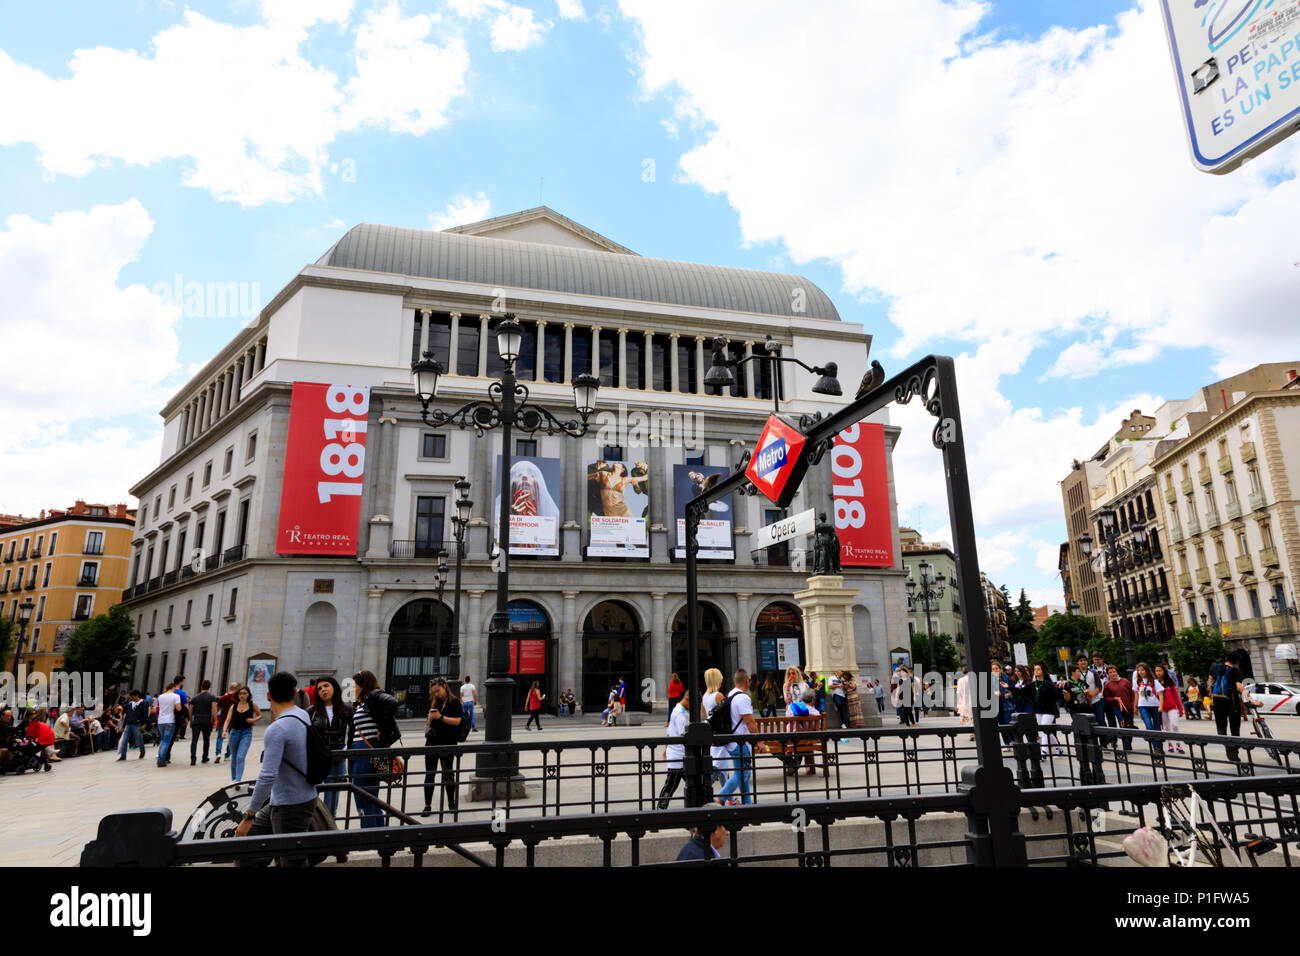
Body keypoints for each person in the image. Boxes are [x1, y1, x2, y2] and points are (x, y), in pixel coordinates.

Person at [232, 671, 317, 867]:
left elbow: (267, 775)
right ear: (295, 692)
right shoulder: (303, 715)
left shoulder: (278, 729)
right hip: (293, 798)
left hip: (290, 804)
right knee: (250, 850)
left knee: (292, 861)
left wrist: (249, 815)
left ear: (268, 696)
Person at [349, 670, 400, 828]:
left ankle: (368, 835)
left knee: (361, 794)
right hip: (363, 750)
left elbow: (392, 702)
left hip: (366, 750)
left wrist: (383, 730)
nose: (353, 689)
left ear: (363, 685)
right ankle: (380, 833)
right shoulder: (364, 701)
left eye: (355, 686)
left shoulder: (373, 695)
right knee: (371, 796)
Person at [310, 676, 352, 816]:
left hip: (338, 758)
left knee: (332, 800)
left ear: (334, 686)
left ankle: (328, 830)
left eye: (326, 686)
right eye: (320, 688)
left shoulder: (347, 709)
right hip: (317, 759)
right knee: (311, 799)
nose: (323, 690)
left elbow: (353, 732)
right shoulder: (312, 711)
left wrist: (348, 749)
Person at [422, 677, 463, 817]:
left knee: (448, 774)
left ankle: (451, 803)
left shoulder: (454, 701)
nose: (436, 694)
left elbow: (458, 721)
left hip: (448, 742)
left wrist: (440, 717)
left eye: (438, 691)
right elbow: (428, 726)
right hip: (432, 743)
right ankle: (427, 806)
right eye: (434, 692)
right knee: (429, 774)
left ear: (445, 686)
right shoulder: (435, 701)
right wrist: (430, 718)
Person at [714, 669, 757, 805]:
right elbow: (750, 722)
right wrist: (759, 741)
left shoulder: (730, 695)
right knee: (743, 774)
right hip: (740, 742)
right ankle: (721, 798)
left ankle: (747, 805)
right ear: (747, 681)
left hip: (731, 742)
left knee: (744, 774)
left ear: (734, 681)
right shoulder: (743, 698)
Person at [1209, 650, 1247, 762]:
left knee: (1221, 727)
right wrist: (1251, 699)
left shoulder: (1215, 667)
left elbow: (1210, 679)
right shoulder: (1236, 671)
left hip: (1217, 700)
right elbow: (1239, 687)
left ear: (1226, 658)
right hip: (1232, 702)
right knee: (1235, 728)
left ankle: (1227, 745)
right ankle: (1234, 752)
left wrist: (1211, 690)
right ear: (1237, 661)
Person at [657, 691, 690, 809]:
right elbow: (684, 735)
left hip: (677, 753)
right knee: (671, 784)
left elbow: (670, 731)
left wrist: (666, 747)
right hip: (678, 755)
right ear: (687, 699)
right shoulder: (681, 713)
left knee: (691, 783)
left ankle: (660, 809)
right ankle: (660, 809)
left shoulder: (677, 708)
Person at [222, 685, 262, 781]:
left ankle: (238, 780)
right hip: (234, 733)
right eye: (240, 693)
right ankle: (234, 779)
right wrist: (224, 731)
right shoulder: (234, 706)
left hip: (246, 734)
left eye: (244, 693)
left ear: (248, 695)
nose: (242, 695)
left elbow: (260, 715)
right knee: (234, 758)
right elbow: (227, 720)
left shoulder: (252, 704)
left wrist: (253, 720)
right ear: (238, 695)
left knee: (240, 757)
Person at [1030, 663, 1063, 756]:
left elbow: (1055, 694)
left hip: (1049, 709)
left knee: (1044, 729)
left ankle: (1043, 751)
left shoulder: (1050, 679)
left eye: (1038, 669)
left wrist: (1059, 689)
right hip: (1039, 708)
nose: (1036, 671)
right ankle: (1058, 748)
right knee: (1045, 730)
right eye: (1035, 669)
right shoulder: (1034, 680)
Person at [1102, 665, 1135, 751]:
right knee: (1123, 724)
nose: (1113, 674)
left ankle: (1128, 743)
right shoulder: (1108, 684)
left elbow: (1132, 694)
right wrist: (1114, 699)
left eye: (1114, 671)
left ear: (1117, 672)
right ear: (1108, 674)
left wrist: (1133, 705)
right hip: (1118, 708)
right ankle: (1126, 745)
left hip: (1128, 707)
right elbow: (1106, 697)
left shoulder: (1125, 681)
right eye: (1110, 672)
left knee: (1130, 725)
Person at [1154, 664, 1184, 755]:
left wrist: (1180, 708)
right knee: (1166, 727)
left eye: (1160, 671)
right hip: (1162, 708)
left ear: (1164, 672)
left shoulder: (1170, 682)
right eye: (1156, 671)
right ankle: (1170, 744)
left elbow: (1176, 696)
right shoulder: (1154, 682)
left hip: (1171, 707)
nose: (1158, 673)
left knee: (1175, 725)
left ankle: (1178, 744)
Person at [1133, 663, 1163, 752]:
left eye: (1142, 670)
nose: (1140, 672)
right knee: (1149, 725)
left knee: (1157, 727)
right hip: (1143, 706)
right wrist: (1135, 706)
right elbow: (1136, 694)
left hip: (1155, 705)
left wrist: (1161, 706)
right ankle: (1156, 747)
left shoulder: (1154, 681)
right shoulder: (1137, 681)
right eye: (1138, 670)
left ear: (1146, 670)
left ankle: (1159, 744)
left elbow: (1161, 694)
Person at [189, 680, 218, 765]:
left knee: (194, 740)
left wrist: (191, 720)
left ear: (201, 686)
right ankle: (205, 757)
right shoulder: (212, 697)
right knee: (206, 740)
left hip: (197, 720)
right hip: (207, 720)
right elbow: (214, 709)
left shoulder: (194, 697)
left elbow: (190, 710)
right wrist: (215, 720)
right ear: (209, 687)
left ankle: (193, 759)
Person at [154, 681, 181, 767]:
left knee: (163, 740)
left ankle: (160, 758)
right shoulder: (176, 696)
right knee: (166, 741)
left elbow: (159, 707)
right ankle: (161, 760)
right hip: (170, 720)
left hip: (161, 721)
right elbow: (178, 708)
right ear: (173, 688)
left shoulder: (160, 696)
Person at [116, 690, 148, 760]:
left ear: (136, 695)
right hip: (128, 724)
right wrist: (123, 726)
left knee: (138, 739)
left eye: (132, 696)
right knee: (124, 740)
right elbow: (127, 716)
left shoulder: (144, 702)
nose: (130, 698)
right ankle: (123, 756)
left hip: (137, 724)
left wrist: (144, 724)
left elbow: (145, 714)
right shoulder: (130, 704)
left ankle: (142, 751)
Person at [214, 682, 238, 765]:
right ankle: (227, 755)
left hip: (222, 719)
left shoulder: (223, 698)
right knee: (231, 737)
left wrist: (217, 717)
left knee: (220, 737)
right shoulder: (236, 699)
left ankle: (218, 753)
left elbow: (217, 707)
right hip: (233, 720)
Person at [956, 666, 973, 740]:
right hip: (974, 700)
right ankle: (974, 733)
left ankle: (971, 733)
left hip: (965, 702)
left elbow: (958, 692)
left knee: (968, 717)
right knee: (974, 717)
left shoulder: (961, 680)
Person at [172, 676, 189, 740]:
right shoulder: (182, 693)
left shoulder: (170, 691)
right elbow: (185, 705)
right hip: (178, 715)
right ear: (181, 682)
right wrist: (186, 717)